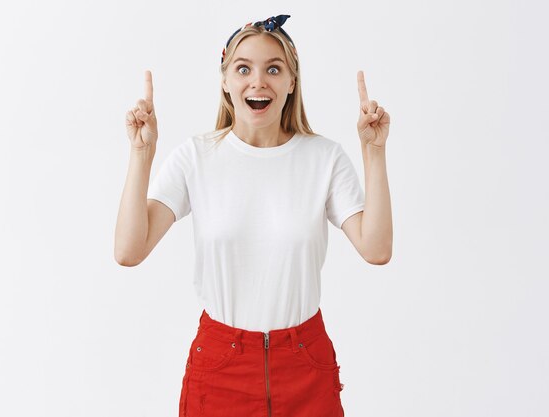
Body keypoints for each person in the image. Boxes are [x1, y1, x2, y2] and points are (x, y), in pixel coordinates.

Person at [114, 14, 392, 417]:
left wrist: (374, 152)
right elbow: (128, 250)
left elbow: (377, 248)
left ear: (292, 82)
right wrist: (141, 155)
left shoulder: (324, 158)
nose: (258, 81)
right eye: (243, 68)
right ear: (225, 80)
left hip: (304, 363)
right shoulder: (197, 157)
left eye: (273, 69)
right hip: (220, 365)